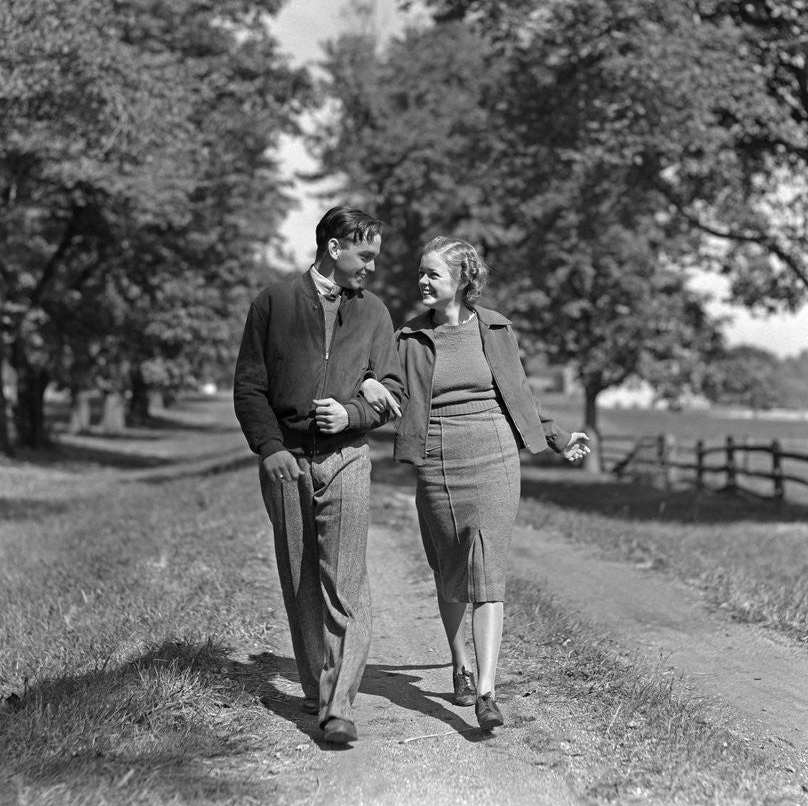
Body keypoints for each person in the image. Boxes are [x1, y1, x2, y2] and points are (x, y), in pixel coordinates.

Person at [367, 236, 589, 732]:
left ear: (463, 281)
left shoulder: (495, 328)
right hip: (436, 456)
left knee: (488, 568)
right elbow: (394, 388)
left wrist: (556, 437)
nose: (422, 281)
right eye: (421, 274)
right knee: (451, 568)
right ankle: (459, 658)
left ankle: (487, 690)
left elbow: (519, 391)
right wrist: (373, 391)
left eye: (433, 274)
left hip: (493, 451)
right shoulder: (409, 339)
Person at [233, 207, 403, 745]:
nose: (373, 267)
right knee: (301, 572)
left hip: (347, 455)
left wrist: (351, 415)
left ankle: (338, 705)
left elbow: (393, 394)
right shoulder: (275, 302)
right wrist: (269, 449)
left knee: (344, 577)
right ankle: (316, 686)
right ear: (335, 247)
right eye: (366, 255)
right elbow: (250, 386)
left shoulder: (375, 313)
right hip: (286, 460)